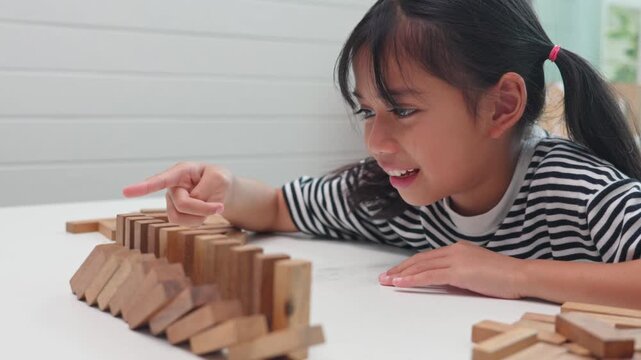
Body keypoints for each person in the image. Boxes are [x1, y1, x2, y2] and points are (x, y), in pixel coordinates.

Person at [123, 0, 641, 309]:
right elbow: (282, 207)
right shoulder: (399, 191)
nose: (376, 142)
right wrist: (226, 193)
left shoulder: (574, 188)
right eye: (369, 111)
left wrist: (510, 273)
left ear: (501, 106)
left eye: (403, 110)